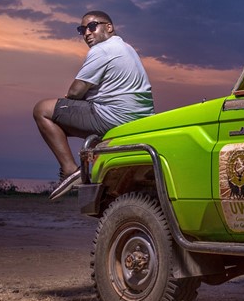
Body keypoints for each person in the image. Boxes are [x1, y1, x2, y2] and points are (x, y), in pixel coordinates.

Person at [33, 10, 154, 198]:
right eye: (82, 30)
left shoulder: (102, 49)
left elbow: (75, 92)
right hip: (139, 120)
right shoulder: (127, 48)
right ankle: (92, 159)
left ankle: (70, 170)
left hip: (114, 118)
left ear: (109, 27)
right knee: (62, 119)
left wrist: (70, 99)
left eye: (91, 26)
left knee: (42, 110)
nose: (87, 33)